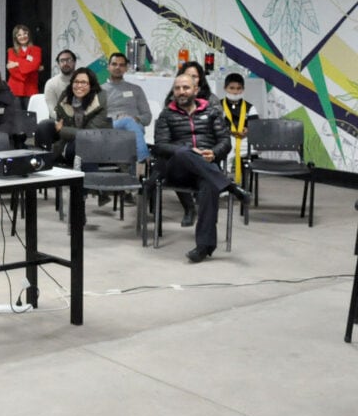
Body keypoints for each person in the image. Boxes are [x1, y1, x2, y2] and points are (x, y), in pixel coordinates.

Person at [152, 74, 251, 263]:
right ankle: (230, 186)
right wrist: (189, 150)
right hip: (177, 170)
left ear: (196, 90)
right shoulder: (167, 114)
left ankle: (204, 247)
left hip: (205, 169)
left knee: (209, 184)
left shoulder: (212, 112)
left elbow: (225, 141)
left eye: (186, 88)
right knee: (182, 152)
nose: (181, 92)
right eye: (177, 88)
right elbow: (161, 146)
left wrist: (213, 153)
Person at [164, 61, 215, 226]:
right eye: (186, 76)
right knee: (181, 156)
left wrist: (211, 151)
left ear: (199, 81)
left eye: (194, 76)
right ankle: (189, 208)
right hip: (182, 152)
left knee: (205, 176)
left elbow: (220, 133)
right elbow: (165, 137)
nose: (189, 79)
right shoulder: (172, 101)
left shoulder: (212, 102)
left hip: (205, 151)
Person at [35, 67, 110, 166]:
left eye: (84, 82)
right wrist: (62, 130)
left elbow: (90, 134)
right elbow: (59, 120)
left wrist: (63, 130)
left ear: (91, 84)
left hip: (93, 142)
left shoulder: (101, 100)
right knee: (44, 125)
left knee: (78, 144)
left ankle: (64, 160)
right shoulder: (66, 95)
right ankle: (42, 162)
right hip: (69, 138)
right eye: (76, 82)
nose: (79, 85)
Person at [101, 52, 152, 162]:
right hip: (111, 127)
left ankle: (138, 166)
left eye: (121, 65)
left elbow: (147, 117)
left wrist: (136, 118)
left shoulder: (136, 89)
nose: (117, 67)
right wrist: (117, 119)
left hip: (133, 128)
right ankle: (144, 160)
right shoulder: (100, 91)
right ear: (108, 67)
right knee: (127, 122)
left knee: (130, 123)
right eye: (114, 64)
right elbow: (97, 119)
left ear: (126, 68)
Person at [6, 24, 42, 108]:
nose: (23, 36)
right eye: (19, 35)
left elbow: (35, 65)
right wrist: (28, 68)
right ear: (15, 37)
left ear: (29, 35)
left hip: (31, 88)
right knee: (16, 116)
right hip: (15, 88)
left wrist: (17, 63)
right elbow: (13, 71)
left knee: (31, 115)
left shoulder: (36, 50)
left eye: (25, 33)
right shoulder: (11, 51)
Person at [43, 49, 76, 115]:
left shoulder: (85, 81)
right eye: (62, 61)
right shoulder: (51, 84)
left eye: (68, 60)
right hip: (60, 121)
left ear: (74, 62)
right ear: (58, 64)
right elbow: (52, 111)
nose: (65, 63)